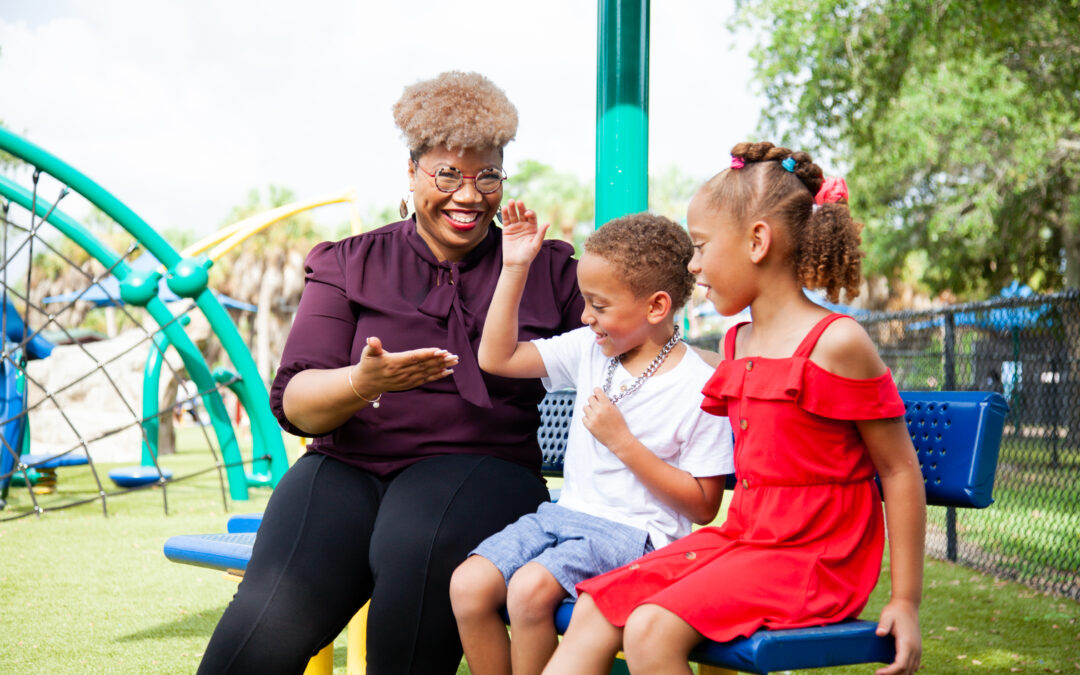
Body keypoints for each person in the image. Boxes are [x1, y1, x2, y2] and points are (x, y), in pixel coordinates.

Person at [197, 72, 584, 675]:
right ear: (411, 172)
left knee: (414, 550)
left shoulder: (547, 268)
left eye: (487, 175)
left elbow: (631, 339)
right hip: (346, 466)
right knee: (257, 632)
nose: (469, 194)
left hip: (481, 469)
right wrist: (363, 382)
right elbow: (297, 403)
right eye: (447, 174)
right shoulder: (348, 263)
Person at [542, 142, 927, 675]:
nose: (693, 266)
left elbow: (899, 468)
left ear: (758, 241)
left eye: (699, 246)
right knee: (597, 606)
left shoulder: (837, 342)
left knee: (650, 629)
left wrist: (905, 601)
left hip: (812, 557)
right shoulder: (737, 342)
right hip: (743, 539)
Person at [449, 211, 734, 675]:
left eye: (599, 306)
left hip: (638, 536)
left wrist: (624, 443)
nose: (586, 316)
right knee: (467, 585)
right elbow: (495, 357)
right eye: (585, 301)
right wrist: (516, 267)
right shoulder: (589, 347)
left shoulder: (698, 387)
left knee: (527, 590)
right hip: (565, 515)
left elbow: (703, 506)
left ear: (656, 307)